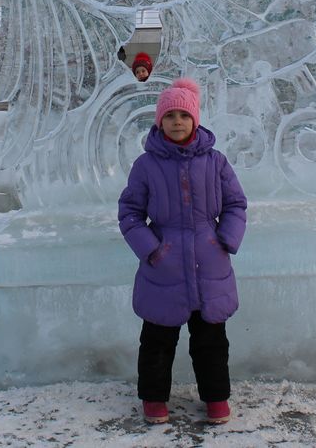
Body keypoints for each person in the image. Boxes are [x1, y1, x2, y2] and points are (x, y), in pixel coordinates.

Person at [118, 78, 247, 425]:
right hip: (164, 269)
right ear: (160, 121)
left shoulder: (215, 161)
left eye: (184, 115)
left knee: (211, 344)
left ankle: (217, 399)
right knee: (157, 343)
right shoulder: (146, 166)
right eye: (170, 115)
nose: (177, 122)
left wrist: (226, 240)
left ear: (195, 119)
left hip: (210, 268)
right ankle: (154, 400)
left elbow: (235, 204)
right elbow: (130, 214)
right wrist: (152, 251)